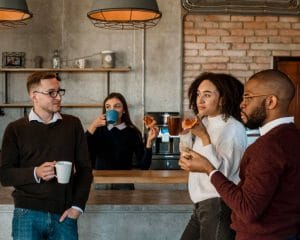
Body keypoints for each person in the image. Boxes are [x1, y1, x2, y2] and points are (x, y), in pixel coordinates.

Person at [179, 69, 300, 240]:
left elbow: (248, 209)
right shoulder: (290, 137)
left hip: (254, 230)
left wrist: (209, 168)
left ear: (271, 101)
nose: (242, 104)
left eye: (248, 97)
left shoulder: (268, 145)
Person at [0, 72, 93, 240]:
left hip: (64, 214)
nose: (58, 97)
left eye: (59, 91)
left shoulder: (73, 124)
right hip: (27, 214)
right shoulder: (15, 129)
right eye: (51, 92)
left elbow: (85, 169)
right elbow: (5, 174)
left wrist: (77, 207)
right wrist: (36, 173)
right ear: (34, 95)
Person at [179, 72, 247, 240]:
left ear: (223, 99)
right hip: (201, 206)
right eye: (198, 94)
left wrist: (204, 137)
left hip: (218, 205)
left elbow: (222, 174)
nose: (200, 100)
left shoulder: (233, 128)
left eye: (207, 95)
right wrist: (185, 134)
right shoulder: (206, 122)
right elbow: (189, 156)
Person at [86, 92, 159, 190]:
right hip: (101, 183)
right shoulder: (98, 130)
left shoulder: (132, 132)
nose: (112, 110)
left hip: (124, 183)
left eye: (117, 106)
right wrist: (93, 126)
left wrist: (149, 141)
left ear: (124, 110)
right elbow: (82, 151)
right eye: (108, 107)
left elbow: (144, 166)